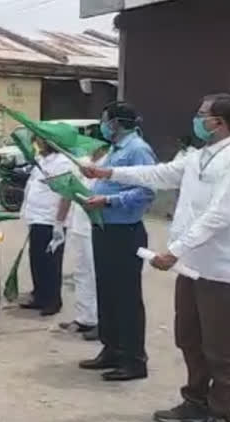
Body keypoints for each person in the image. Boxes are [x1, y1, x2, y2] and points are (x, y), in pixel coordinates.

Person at [84, 94, 230, 422]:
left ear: (219, 122)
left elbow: (219, 216)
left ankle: (222, 416)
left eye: (202, 114)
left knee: (220, 348)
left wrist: (174, 250)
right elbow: (158, 173)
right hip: (191, 268)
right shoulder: (198, 157)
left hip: (219, 271)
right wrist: (109, 171)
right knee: (189, 338)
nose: (196, 118)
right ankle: (194, 401)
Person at [78, 102, 156, 382]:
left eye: (104, 121)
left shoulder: (138, 150)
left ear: (116, 123)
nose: (103, 126)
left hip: (125, 231)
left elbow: (147, 192)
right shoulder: (115, 149)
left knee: (126, 297)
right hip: (105, 228)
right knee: (107, 292)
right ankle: (111, 349)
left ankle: (134, 360)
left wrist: (108, 201)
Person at [19, 137, 75, 316]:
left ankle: (53, 301)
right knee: (37, 260)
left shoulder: (63, 162)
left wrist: (60, 222)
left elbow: (67, 192)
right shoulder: (41, 160)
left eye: (39, 142)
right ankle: (40, 296)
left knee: (51, 262)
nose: (37, 145)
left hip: (51, 220)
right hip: (37, 218)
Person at [59, 144, 109, 340]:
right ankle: (85, 317)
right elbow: (68, 193)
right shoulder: (82, 163)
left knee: (98, 274)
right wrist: (60, 222)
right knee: (81, 273)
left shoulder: (109, 164)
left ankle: (101, 322)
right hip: (78, 225)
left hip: (96, 228)